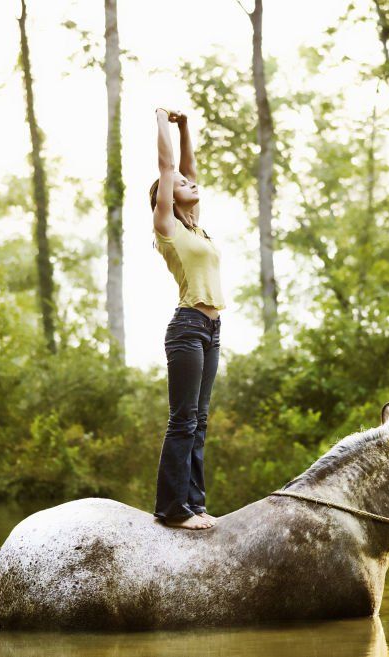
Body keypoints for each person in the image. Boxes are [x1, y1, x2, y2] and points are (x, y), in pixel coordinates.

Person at [150, 107, 226, 530]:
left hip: (212, 330)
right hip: (187, 329)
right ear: (166, 196)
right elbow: (169, 167)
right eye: (179, 185)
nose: (189, 183)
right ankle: (172, 510)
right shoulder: (167, 226)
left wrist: (186, 127)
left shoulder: (196, 227)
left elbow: (187, 167)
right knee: (183, 419)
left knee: (200, 419)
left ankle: (194, 505)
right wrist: (162, 118)